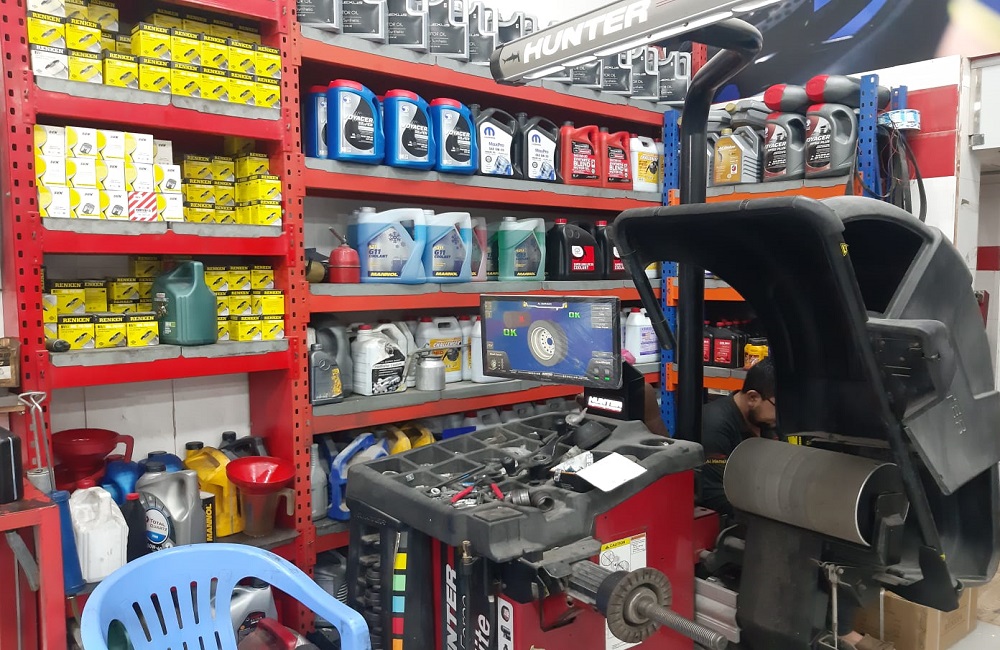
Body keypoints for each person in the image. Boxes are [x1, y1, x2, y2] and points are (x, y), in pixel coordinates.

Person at [697, 358, 778, 517]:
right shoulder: (713, 427)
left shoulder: (766, 419)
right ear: (753, 398)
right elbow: (715, 494)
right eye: (779, 406)